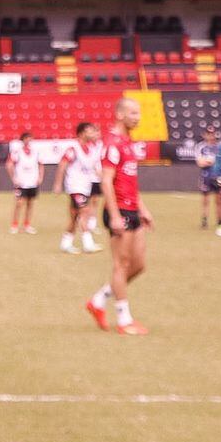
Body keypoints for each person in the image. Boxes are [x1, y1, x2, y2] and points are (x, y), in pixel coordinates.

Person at [85, 98, 151, 335]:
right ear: (120, 115)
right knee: (121, 264)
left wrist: (142, 208)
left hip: (133, 209)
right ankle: (124, 320)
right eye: (133, 113)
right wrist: (113, 215)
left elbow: (130, 181)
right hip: (119, 211)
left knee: (138, 265)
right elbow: (106, 181)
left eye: (139, 112)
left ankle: (98, 300)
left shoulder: (128, 143)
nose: (137, 117)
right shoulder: (112, 144)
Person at [54, 121, 104, 255]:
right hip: (75, 187)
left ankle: (66, 243)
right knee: (85, 212)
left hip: (85, 187)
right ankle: (88, 244)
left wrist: (104, 180)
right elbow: (62, 165)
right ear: (81, 133)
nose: (93, 133)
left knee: (74, 217)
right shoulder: (73, 149)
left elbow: (95, 167)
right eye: (90, 131)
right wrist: (58, 184)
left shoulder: (92, 149)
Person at [7, 130, 43, 234]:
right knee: (19, 203)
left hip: (32, 181)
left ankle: (27, 224)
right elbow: (9, 165)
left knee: (30, 203)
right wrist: (14, 178)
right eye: (26, 138)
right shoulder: (17, 152)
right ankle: (14, 224)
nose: (28, 140)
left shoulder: (36, 152)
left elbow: (41, 164)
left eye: (30, 138)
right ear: (22, 140)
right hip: (21, 182)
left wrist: (40, 177)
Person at [194, 127, 219, 229]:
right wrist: (211, 161)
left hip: (217, 176)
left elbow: (220, 162)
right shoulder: (200, 147)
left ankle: (219, 221)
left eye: (212, 133)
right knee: (205, 199)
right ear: (205, 134)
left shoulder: (219, 146)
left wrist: (208, 161)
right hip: (206, 176)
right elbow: (200, 163)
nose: (211, 135)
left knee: (219, 199)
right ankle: (204, 220)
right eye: (208, 133)